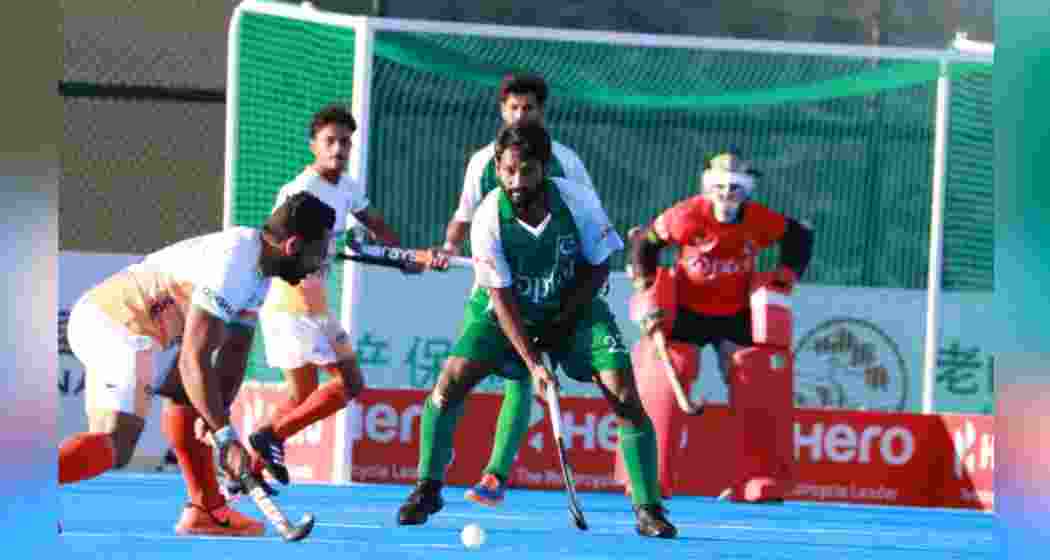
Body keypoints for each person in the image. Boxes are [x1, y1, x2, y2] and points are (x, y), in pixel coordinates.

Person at [397, 121, 676, 538]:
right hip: (506, 310)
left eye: (526, 171)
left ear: (544, 168)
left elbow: (599, 265)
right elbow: (501, 296)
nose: (515, 181)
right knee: (450, 380)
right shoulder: (488, 217)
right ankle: (428, 488)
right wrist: (534, 364)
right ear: (497, 168)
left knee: (623, 394)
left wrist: (561, 322)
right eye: (508, 171)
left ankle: (648, 509)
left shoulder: (577, 201)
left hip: (574, 306)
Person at [58, 192, 337, 536]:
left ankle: (207, 510)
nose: (319, 263)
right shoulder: (235, 262)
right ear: (293, 245)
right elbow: (194, 357)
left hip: (135, 330)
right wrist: (225, 435)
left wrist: (217, 420)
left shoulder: (261, 273)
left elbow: (234, 353)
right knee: (117, 441)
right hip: (118, 323)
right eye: (318, 251)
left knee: (188, 396)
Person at [247, 104, 441, 487]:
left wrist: (408, 257)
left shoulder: (348, 187)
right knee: (350, 384)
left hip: (309, 300)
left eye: (345, 142)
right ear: (313, 146)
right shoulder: (299, 191)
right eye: (330, 141)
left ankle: (249, 470)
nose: (338, 149)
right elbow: (276, 245)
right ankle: (271, 438)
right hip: (295, 298)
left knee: (301, 394)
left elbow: (378, 228)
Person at [438, 72, 597, 507]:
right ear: (502, 111)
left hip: (546, 289)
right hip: (494, 287)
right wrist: (448, 248)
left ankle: (495, 475)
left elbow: (587, 218)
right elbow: (463, 216)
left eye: (529, 108)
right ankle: (434, 470)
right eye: (514, 108)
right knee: (458, 374)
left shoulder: (566, 162)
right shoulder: (482, 162)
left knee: (524, 376)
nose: (521, 115)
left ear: (542, 113)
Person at [624, 150, 814, 502]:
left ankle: (759, 476)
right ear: (708, 187)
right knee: (669, 370)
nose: (727, 195)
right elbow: (644, 241)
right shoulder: (686, 215)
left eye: (735, 188)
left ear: (747, 190)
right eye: (720, 187)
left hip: (736, 311)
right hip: (687, 310)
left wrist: (786, 276)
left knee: (752, 374)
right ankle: (649, 475)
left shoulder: (760, 219)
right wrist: (645, 284)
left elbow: (800, 235)